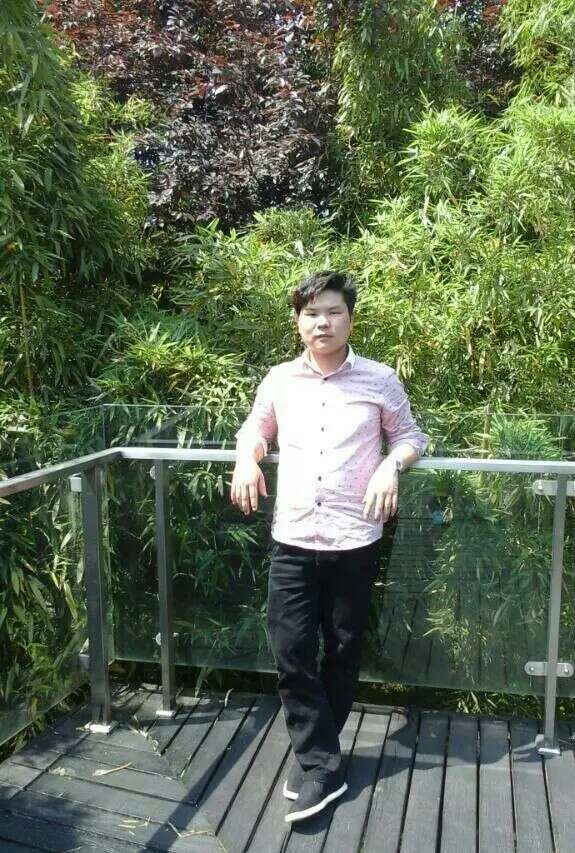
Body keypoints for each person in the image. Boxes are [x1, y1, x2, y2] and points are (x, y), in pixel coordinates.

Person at [230, 270, 429, 823]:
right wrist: (246, 458)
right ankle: (323, 762)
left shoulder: (379, 378)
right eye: (312, 313)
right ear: (298, 321)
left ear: (350, 319)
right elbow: (255, 429)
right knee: (290, 649)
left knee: (343, 648)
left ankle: (318, 761)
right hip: (293, 536)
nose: (323, 322)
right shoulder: (279, 379)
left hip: (355, 537)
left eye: (333, 312)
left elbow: (412, 436)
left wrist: (391, 465)